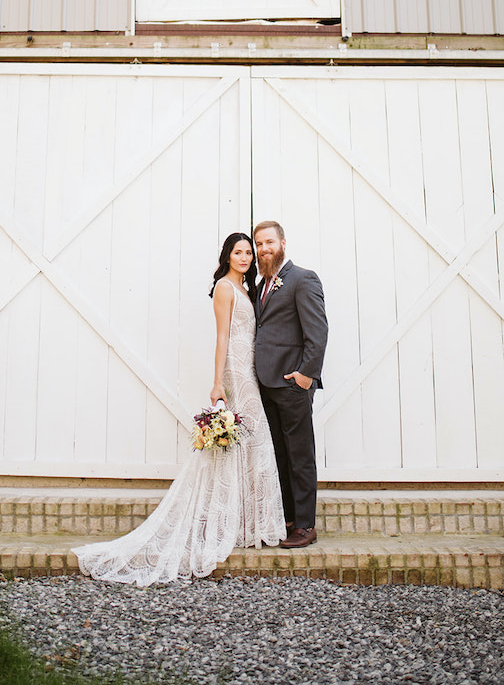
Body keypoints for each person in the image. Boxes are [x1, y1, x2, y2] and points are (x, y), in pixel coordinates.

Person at [74, 233, 286, 584]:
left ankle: (248, 526)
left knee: (252, 444)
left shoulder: (246, 289)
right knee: (252, 439)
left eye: (250, 252)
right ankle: (232, 525)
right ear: (227, 256)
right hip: (235, 370)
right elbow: (222, 337)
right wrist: (218, 383)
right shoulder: (224, 287)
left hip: (250, 368)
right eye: (239, 252)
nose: (246, 257)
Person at [252, 220, 328, 548]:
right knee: (279, 455)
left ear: (283, 242)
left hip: (292, 384)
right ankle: (289, 518)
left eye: (269, 242)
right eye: (259, 244)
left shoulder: (302, 279)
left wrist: (305, 375)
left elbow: (318, 332)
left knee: (300, 453)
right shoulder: (260, 284)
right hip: (267, 384)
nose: (263, 249)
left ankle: (306, 525)